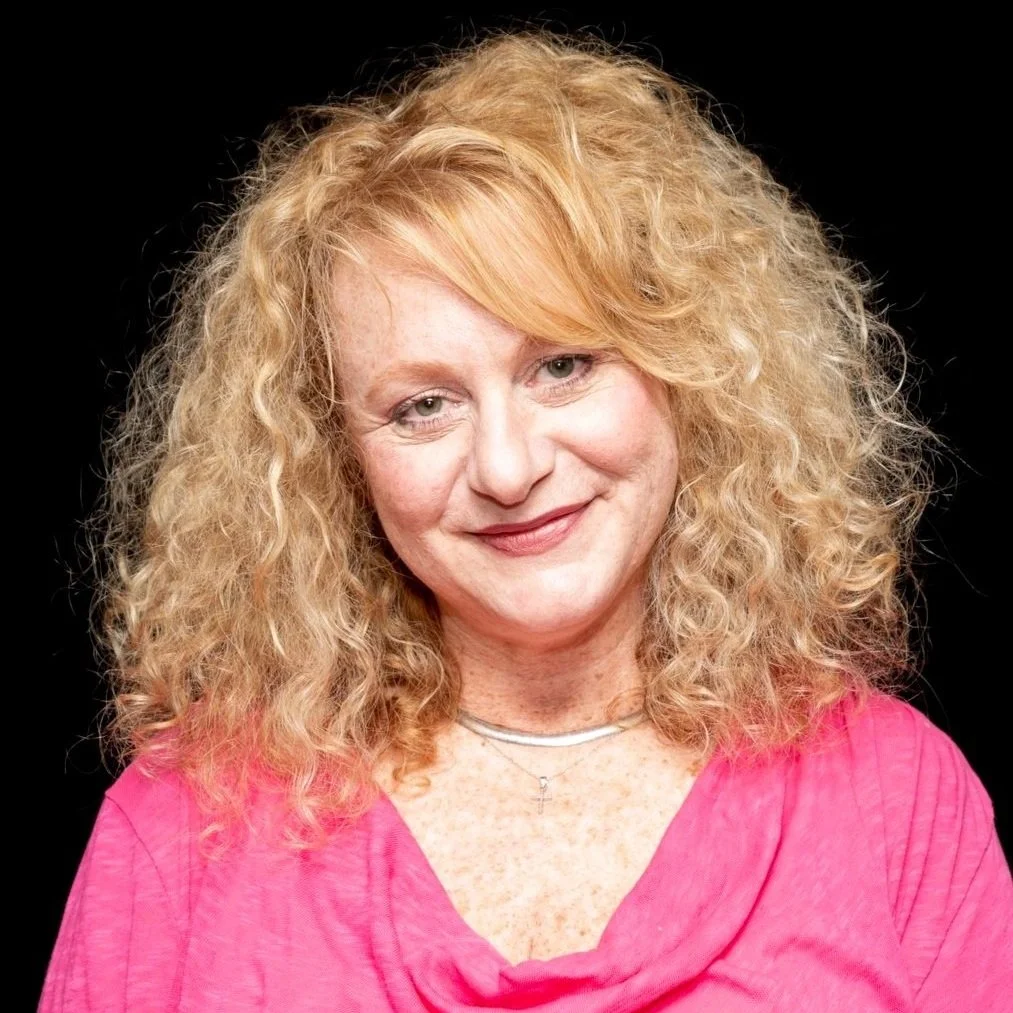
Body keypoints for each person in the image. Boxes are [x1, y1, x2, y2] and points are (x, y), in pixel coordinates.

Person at [41, 29, 1011, 1012]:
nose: (507, 467)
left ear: (689, 371)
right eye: (423, 405)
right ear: (336, 459)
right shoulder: (181, 829)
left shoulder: (899, 803)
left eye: (563, 365)